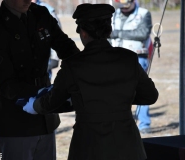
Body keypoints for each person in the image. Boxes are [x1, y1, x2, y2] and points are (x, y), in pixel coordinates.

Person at [23, 3, 159, 160]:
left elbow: (53, 101)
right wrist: (119, 98)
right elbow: (150, 96)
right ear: (109, 30)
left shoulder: (73, 64)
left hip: (89, 145)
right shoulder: (128, 58)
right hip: (127, 144)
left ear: (84, 33)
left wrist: (34, 105)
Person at [0, 0, 80, 159]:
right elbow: (7, 85)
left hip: (46, 118)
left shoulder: (41, 15)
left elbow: (66, 48)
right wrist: (49, 94)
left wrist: (86, 69)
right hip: (16, 121)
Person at [110, 0, 153, 134]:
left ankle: (144, 123)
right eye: (121, 6)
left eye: (126, 6)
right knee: (116, 91)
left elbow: (142, 34)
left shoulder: (144, 14)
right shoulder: (113, 14)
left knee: (140, 89)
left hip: (137, 57)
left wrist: (119, 33)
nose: (124, 9)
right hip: (116, 58)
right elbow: (107, 34)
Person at [32, 0, 61, 81]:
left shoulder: (46, 10)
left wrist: (54, 57)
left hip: (44, 62)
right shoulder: (15, 9)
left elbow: (57, 35)